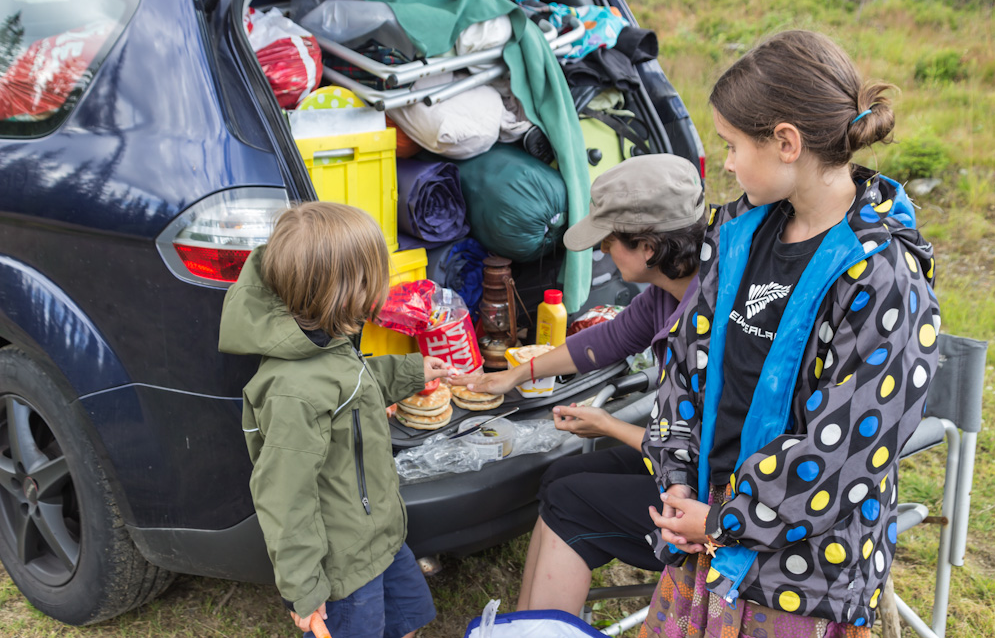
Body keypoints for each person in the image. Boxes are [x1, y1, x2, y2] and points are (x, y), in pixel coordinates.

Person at [638, 29, 941, 637]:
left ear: (785, 142)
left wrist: (726, 520)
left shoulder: (883, 278)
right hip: (703, 542)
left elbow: (844, 453)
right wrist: (677, 484)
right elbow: (685, 369)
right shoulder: (738, 237)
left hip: (798, 585)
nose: (723, 163)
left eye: (729, 145)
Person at [450, 154, 707, 615]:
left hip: (710, 497)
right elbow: (607, 340)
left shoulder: (717, 317)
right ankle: (521, 624)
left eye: (608, 241)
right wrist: (515, 373)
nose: (603, 251)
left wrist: (608, 426)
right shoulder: (668, 289)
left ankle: (538, 627)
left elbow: (705, 445)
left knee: (570, 502)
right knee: (560, 478)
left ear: (647, 246)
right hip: (678, 461)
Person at [218, 202, 449, 638]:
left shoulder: (328, 344)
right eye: (372, 279)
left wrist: (412, 372)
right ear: (344, 291)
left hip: (380, 536)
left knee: (407, 622)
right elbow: (284, 497)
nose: (379, 290)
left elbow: (354, 384)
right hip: (343, 564)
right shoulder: (293, 391)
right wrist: (304, 589)